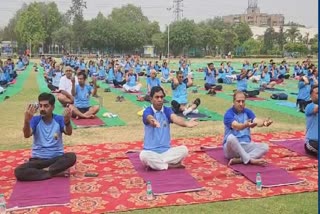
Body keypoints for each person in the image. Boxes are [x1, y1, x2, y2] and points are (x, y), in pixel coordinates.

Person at [14, 93, 76, 181]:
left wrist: (67, 122)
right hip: (38, 160)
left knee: (71, 156)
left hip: (55, 159)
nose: (42, 109)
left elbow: (68, 132)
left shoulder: (59, 119)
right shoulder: (35, 120)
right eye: (41, 106)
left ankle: (43, 172)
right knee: (19, 171)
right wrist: (26, 121)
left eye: (46, 106)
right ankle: (52, 172)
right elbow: (27, 135)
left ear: (53, 107)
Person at [139, 86, 198, 170]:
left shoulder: (167, 110)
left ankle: (157, 165)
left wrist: (186, 123)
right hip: (151, 152)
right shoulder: (148, 110)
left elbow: (175, 118)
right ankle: (169, 165)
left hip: (166, 152)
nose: (160, 99)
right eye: (157, 97)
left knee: (184, 150)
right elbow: (148, 117)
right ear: (151, 99)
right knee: (143, 155)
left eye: (161, 97)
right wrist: (153, 121)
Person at [223, 91, 273, 166]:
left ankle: (240, 159)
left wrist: (264, 123)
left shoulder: (248, 112)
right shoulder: (228, 114)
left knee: (265, 147)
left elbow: (256, 121)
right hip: (231, 149)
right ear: (233, 102)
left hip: (245, 145)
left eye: (243, 101)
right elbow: (236, 126)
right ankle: (250, 160)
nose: (241, 104)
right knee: (230, 138)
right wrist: (246, 125)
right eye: (238, 101)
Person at [304, 85, 318, 156]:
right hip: (312, 142)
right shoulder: (310, 106)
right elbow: (316, 109)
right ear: (311, 95)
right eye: (317, 93)